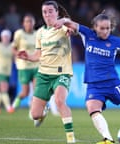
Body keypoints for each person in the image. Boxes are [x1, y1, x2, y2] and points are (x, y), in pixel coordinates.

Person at [54, 11, 120, 144]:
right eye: (102, 28)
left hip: (112, 83)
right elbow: (70, 23)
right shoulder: (88, 34)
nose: (105, 31)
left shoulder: (116, 42)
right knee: (92, 108)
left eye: (108, 28)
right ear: (95, 27)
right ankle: (108, 139)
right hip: (94, 85)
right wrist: (62, 20)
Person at [17, 1, 75, 143]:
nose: (47, 14)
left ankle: (71, 139)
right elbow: (38, 55)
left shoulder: (63, 27)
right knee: (35, 115)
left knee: (60, 101)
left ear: (57, 12)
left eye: (50, 11)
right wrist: (28, 57)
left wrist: (67, 23)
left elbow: (74, 28)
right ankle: (44, 110)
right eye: (45, 12)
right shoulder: (40, 33)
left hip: (62, 73)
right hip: (43, 75)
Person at [11, 13, 38, 110]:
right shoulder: (19, 34)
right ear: (23, 23)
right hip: (24, 67)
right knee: (25, 92)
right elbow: (13, 48)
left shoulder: (37, 34)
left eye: (31, 21)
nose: (29, 23)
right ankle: (17, 100)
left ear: (34, 23)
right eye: (27, 21)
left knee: (37, 90)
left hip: (36, 65)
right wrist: (18, 54)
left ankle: (33, 109)